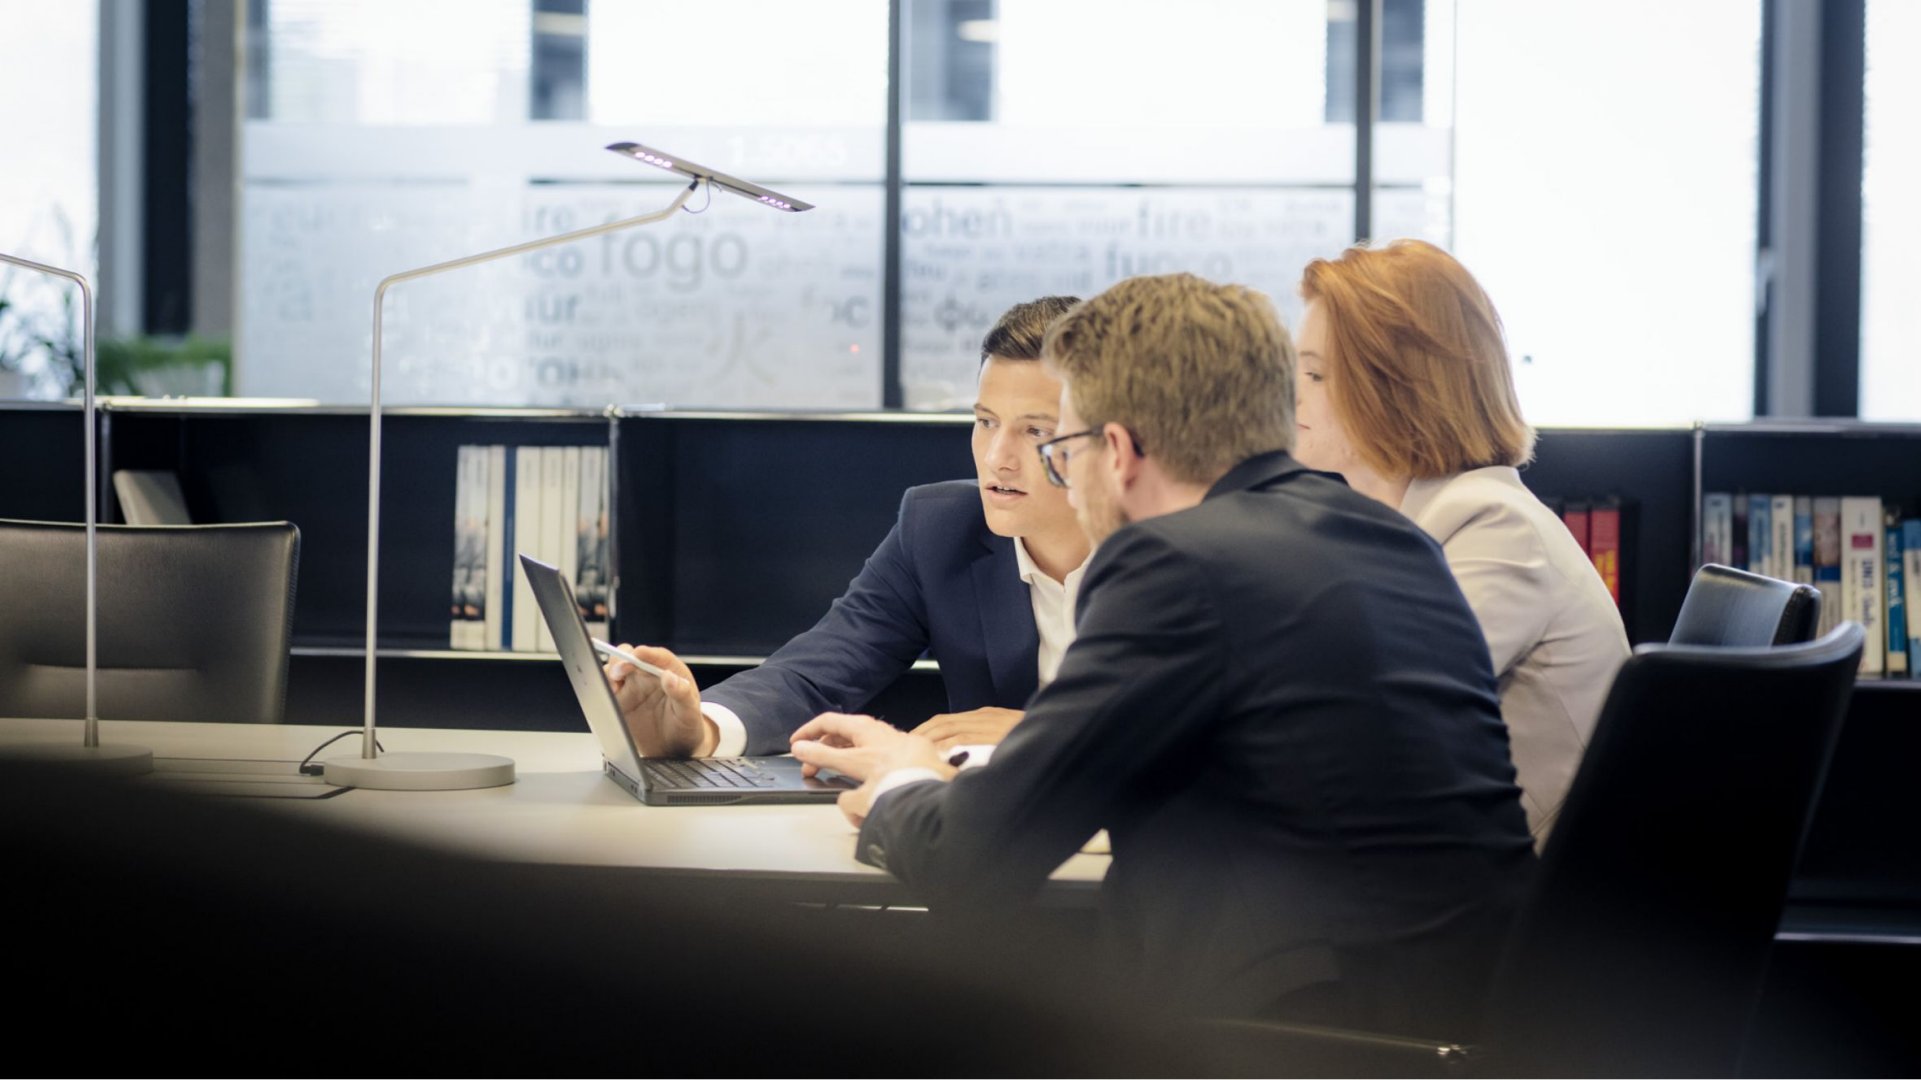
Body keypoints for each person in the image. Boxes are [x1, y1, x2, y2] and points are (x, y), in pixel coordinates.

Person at [789, 273, 1536, 1035]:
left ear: (1115, 451)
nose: (1057, 475)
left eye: (1060, 450)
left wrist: (899, 778)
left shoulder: (1175, 562)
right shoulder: (1392, 537)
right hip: (1483, 1019)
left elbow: (971, 857)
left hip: (1294, 1036)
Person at [606, 297, 1092, 758]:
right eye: (986, 422)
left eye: (1036, 431)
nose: (997, 458)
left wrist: (1048, 731)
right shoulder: (940, 529)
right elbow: (814, 673)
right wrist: (702, 728)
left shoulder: (1142, 548)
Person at [1293, 240, 1629, 840]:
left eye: (1315, 374)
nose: (1292, 392)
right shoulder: (1407, 522)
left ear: (1396, 389)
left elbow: (1369, 714)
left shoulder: (1495, 527)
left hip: (1524, 883)